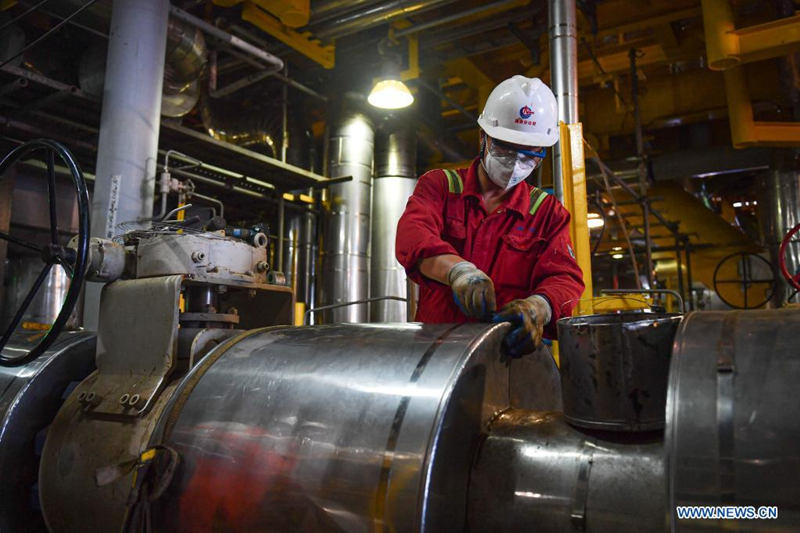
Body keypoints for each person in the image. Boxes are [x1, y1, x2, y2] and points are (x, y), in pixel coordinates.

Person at [395, 75, 585, 356]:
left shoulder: (548, 213)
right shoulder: (441, 186)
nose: (514, 162)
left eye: (528, 155)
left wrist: (537, 307)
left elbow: (564, 278)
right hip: (437, 354)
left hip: (508, 357)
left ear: (541, 152)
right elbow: (414, 236)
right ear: (483, 137)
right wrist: (458, 272)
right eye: (505, 147)